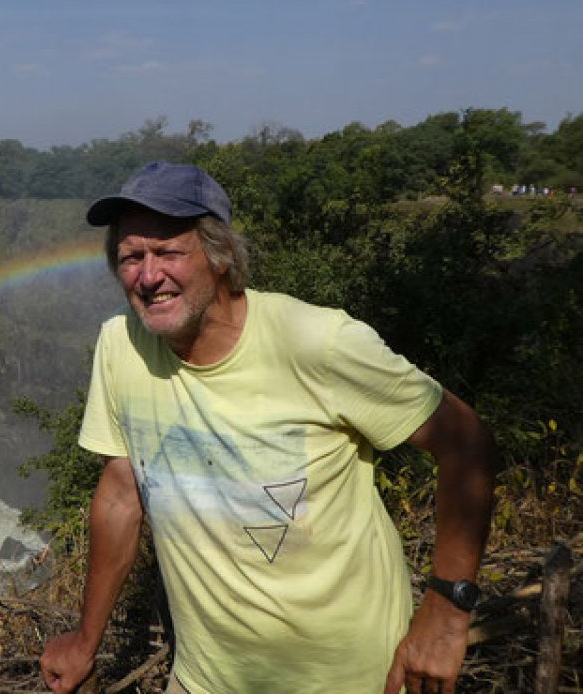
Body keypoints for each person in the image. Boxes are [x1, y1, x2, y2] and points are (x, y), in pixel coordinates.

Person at [39, 162, 497, 694]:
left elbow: (468, 444)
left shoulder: (317, 342)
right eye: (131, 257)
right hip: (205, 679)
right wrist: (85, 639)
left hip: (349, 678)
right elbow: (120, 495)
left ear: (221, 256)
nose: (148, 275)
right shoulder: (121, 347)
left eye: (168, 252)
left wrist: (445, 612)